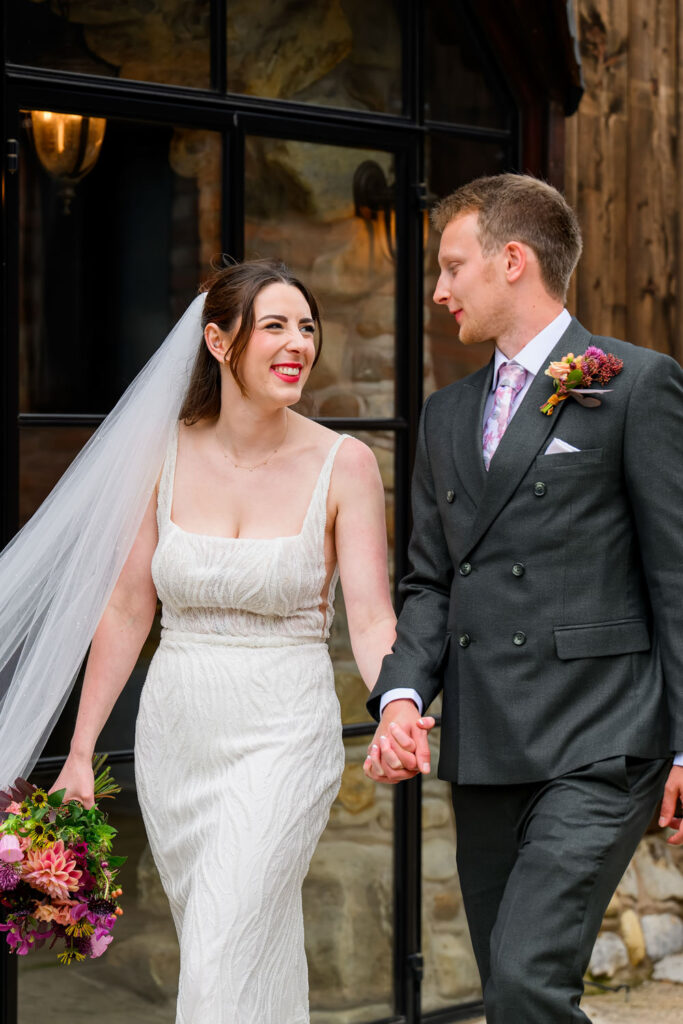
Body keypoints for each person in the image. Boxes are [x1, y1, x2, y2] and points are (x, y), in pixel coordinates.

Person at [2, 259, 396, 1023]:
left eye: (307, 327)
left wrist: (396, 707)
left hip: (284, 731)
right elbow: (124, 608)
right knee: (246, 946)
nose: (298, 344)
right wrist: (80, 753)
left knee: (223, 942)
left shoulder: (344, 464)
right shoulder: (165, 454)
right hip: (179, 734)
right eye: (274, 326)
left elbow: (373, 617)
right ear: (218, 341)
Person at [363, 174, 683, 1023]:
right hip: (488, 746)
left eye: (451, 266)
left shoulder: (635, 385)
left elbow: (676, 578)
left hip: (601, 739)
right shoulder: (443, 414)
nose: (438, 291)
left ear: (511, 261)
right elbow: (431, 580)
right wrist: (400, 695)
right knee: (508, 996)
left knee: (523, 985)